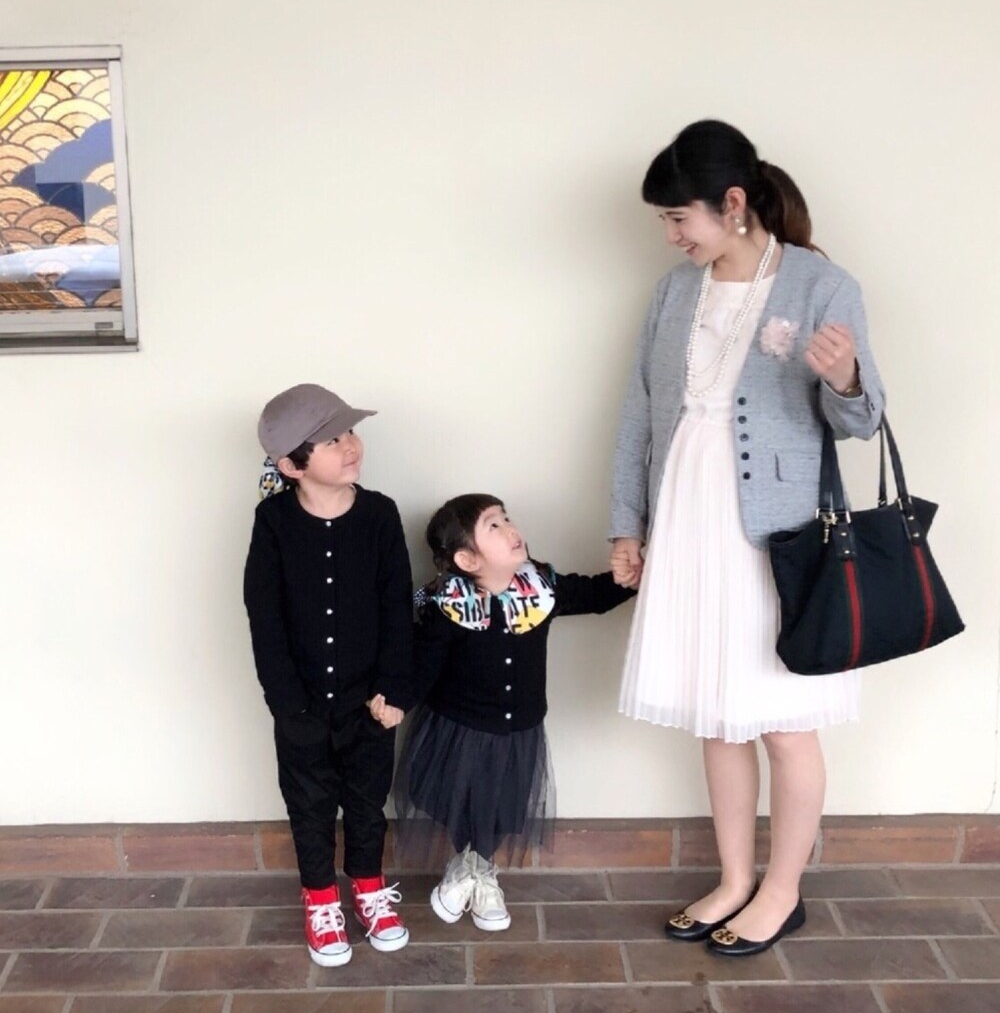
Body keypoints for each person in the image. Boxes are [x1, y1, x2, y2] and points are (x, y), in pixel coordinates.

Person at [610, 120, 884, 958]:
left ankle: (782, 891)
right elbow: (638, 411)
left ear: (732, 203)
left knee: (783, 721)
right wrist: (627, 524)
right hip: (687, 516)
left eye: (677, 217)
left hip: (774, 532)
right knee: (719, 716)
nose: (671, 235)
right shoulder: (674, 292)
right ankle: (734, 878)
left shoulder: (824, 285)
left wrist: (843, 378)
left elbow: (862, 420)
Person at [372, 494, 631, 930]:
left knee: (501, 806)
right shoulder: (448, 605)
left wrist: (632, 578)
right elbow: (425, 665)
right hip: (459, 729)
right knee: (461, 801)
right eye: (493, 525)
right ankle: (468, 865)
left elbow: (594, 594)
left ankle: (478, 870)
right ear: (467, 559)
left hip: (518, 731)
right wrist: (397, 701)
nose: (511, 528)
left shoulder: (540, 588)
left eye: (507, 518)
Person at [243, 383, 414, 967]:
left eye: (350, 432)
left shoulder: (380, 515)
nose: (351, 446)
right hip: (303, 704)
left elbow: (397, 607)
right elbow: (264, 615)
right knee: (309, 804)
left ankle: (369, 889)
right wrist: (288, 705)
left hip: (371, 702)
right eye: (332, 440)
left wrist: (394, 689)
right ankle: (320, 900)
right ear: (292, 466)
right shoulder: (272, 522)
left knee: (367, 802)